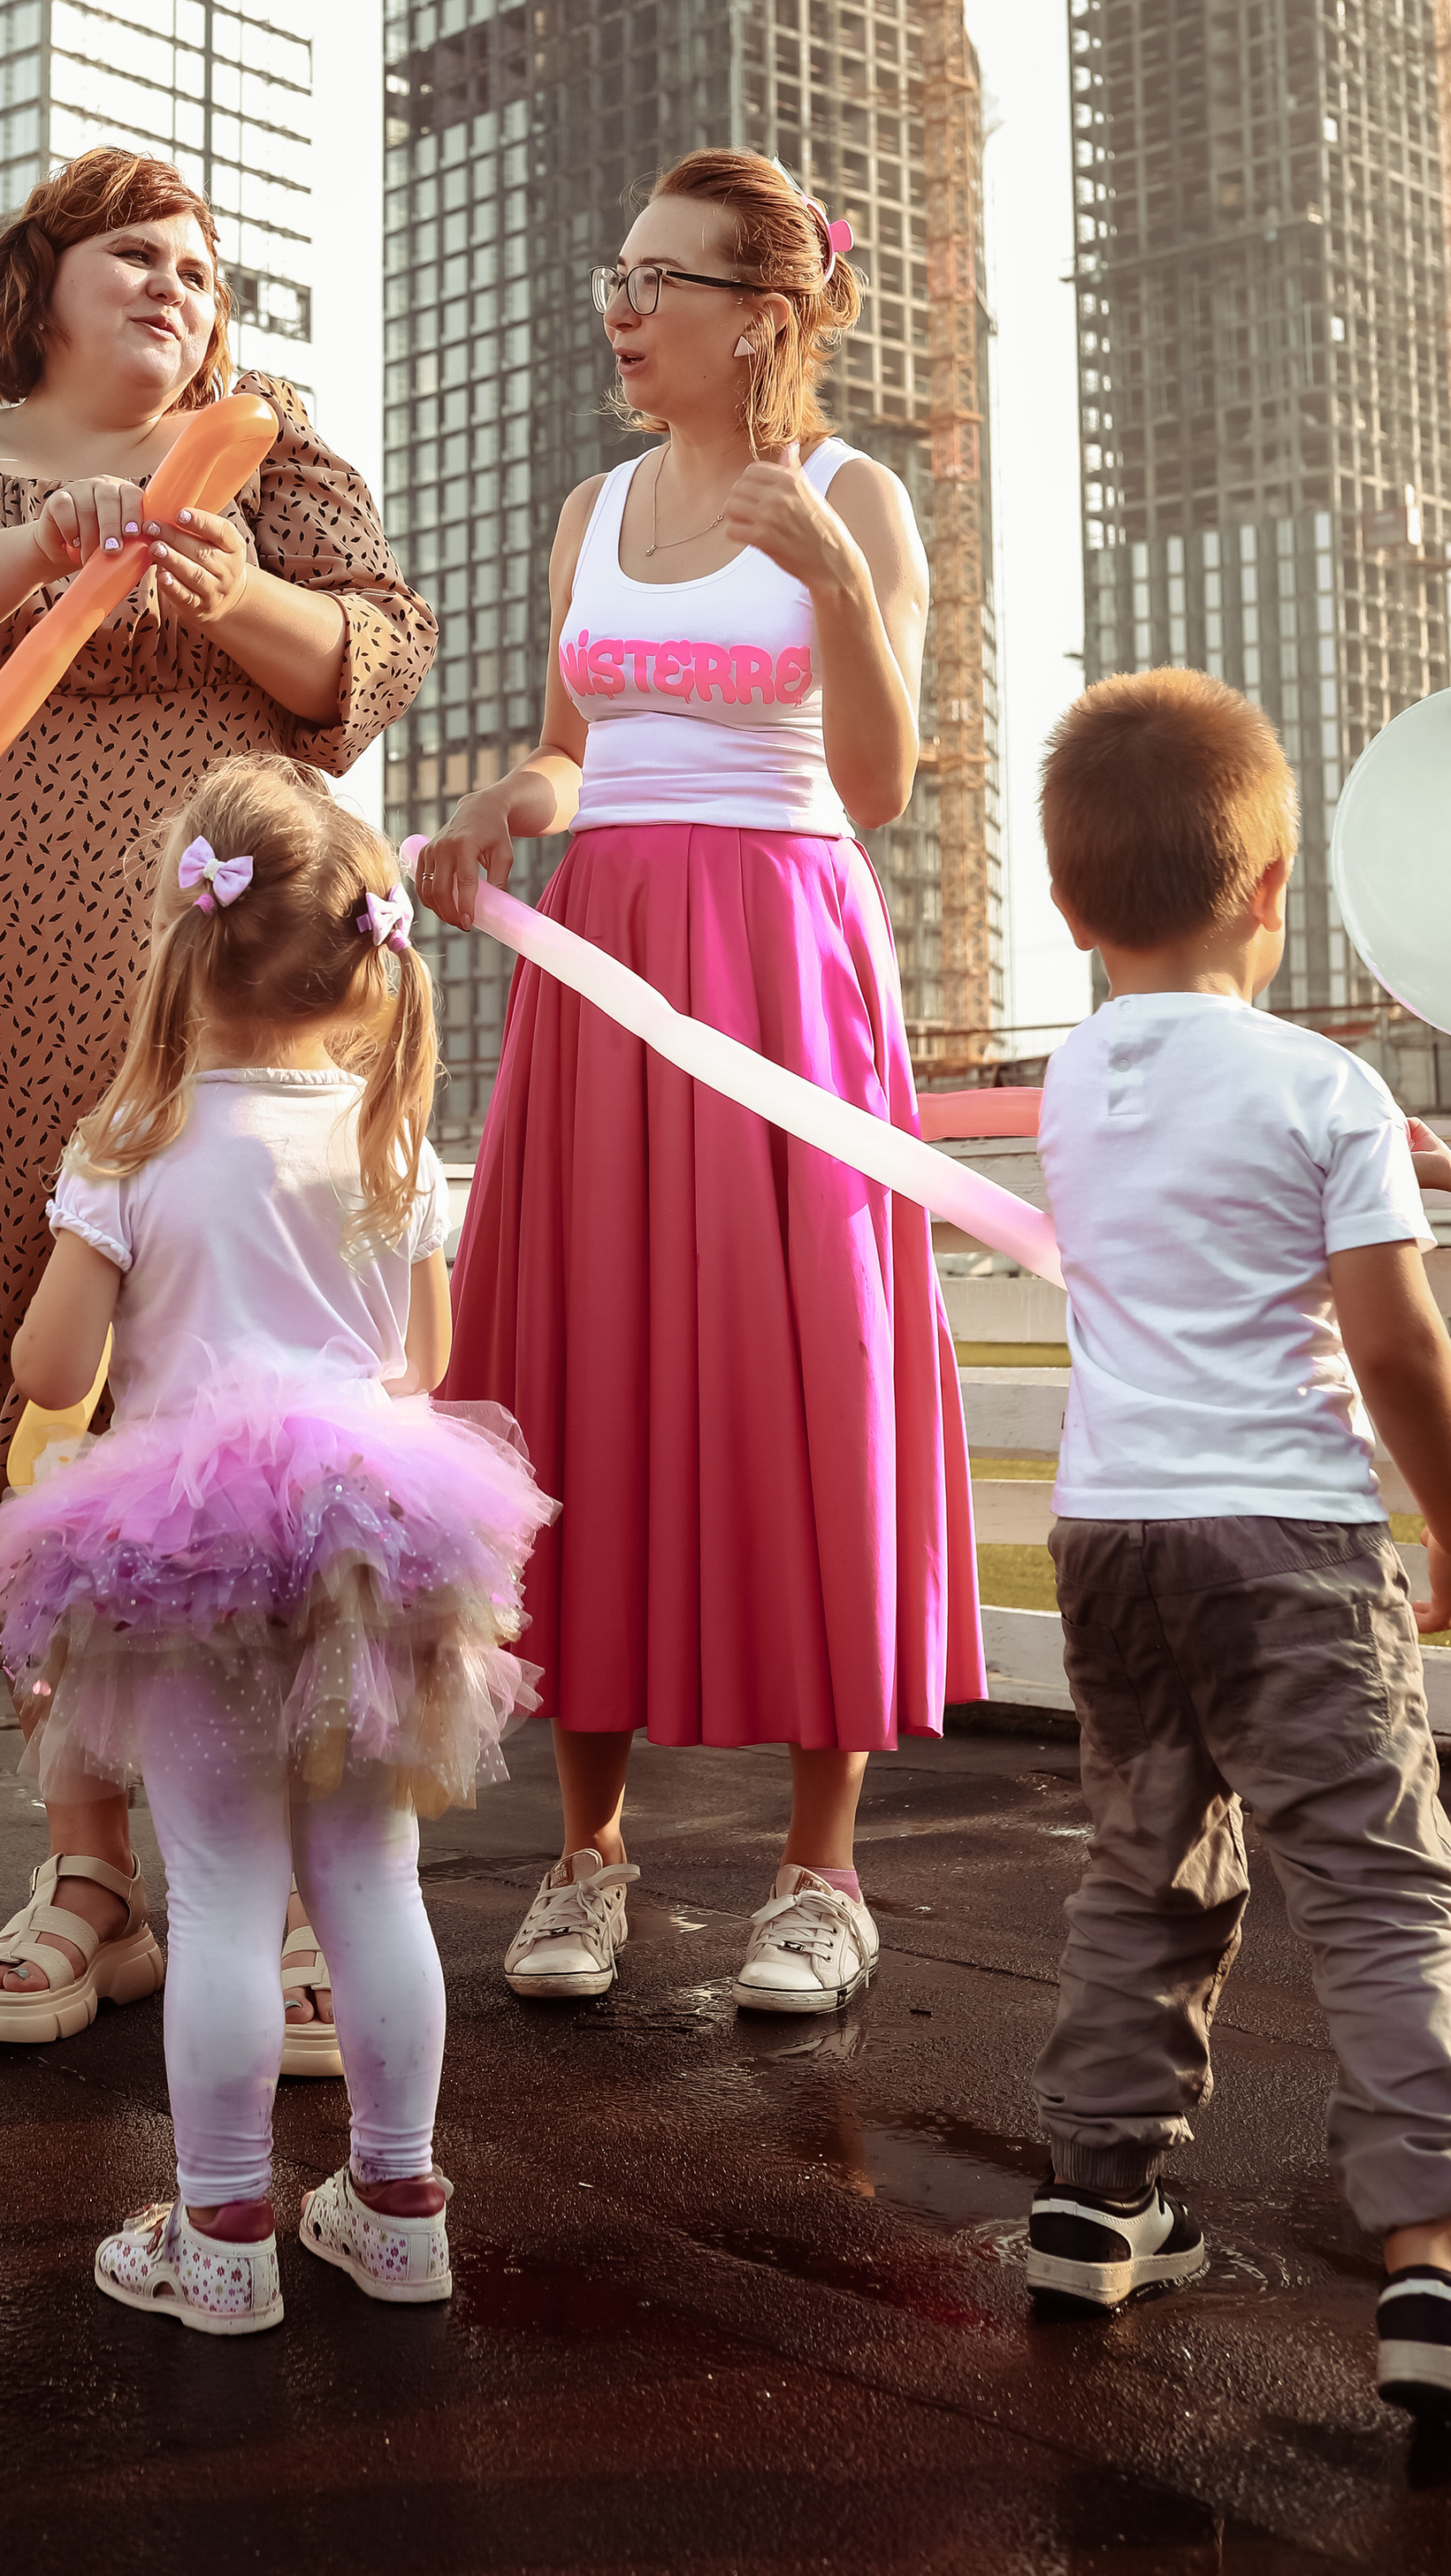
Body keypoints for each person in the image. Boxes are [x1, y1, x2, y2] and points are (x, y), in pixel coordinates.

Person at [0, 149, 434, 2053]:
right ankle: (89, 1875)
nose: (177, 287)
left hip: (225, 1021)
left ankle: (289, 1883)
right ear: (41, 283)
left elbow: (373, 657)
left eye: (203, 270)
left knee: (234, 1411)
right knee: (35, 1417)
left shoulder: (268, 455)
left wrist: (229, 591)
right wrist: (45, 546)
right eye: (137, 254)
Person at [412, 147, 980, 2020]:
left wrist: (835, 582)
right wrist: (504, 804)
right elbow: (576, 756)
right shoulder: (588, 510)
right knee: (579, 1364)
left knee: (807, 1361)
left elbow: (879, 785)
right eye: (619, 272)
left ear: (761, 315)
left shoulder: (852, 493)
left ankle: (820, 1875)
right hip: (600, 968)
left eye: (661, 279)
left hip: (781, 961)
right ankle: (587, 1855)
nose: (623, 307)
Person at [0, 757, 551, 2335]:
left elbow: (50, 1367)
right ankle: (399, 2207)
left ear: (190, 942)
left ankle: (222, 2233)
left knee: (224, 1889)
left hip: (190, 1559)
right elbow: (423, 1362)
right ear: (361, 962)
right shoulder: (387, 1137)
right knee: (372, 1875)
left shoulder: (134, 1137)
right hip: (374, 1538)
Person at [1020, 667, 1451, 2414]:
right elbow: (1395, 1348)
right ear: (1271, 888)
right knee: (1372, 1879)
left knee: (1146, 1859)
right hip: (1288, 1540)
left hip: (1113, 1537)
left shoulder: (1070, 1085)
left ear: (1066, 909)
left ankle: (1092, 2195)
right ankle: (1428, 2248)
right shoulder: (1326, 1090)